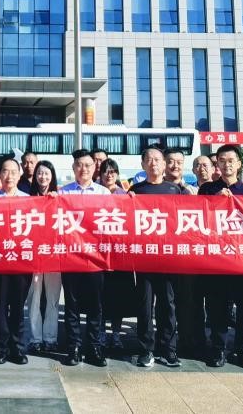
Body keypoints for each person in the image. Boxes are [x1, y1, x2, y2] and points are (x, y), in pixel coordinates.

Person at [198, 143, 243, 370]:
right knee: (217, 308)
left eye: (231, 161)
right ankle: (218, 349)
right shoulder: (207, 190)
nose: (226, 165)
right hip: (217, 259)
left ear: (239, 164)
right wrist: (215, 201)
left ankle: (242, 349)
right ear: (217, 164)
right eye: (222, 161)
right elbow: (197, 220)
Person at [129, 146, 191, 368]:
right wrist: (128, 201)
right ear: (143, 164)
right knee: (145, 306)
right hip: (144, 258)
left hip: (168, 258)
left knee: (167, 304)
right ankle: (146, 350)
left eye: (157, 159)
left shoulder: (175, 190)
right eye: (149, 159)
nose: (153, 163)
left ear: (164, 164)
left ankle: (168, 349)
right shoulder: (135, 190)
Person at [59, 149, 109, 367]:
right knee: (72, 305)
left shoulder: (103, 193)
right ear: (73, 168)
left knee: (95, 306)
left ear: (94, 167)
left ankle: (94, 348)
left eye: (88, 165)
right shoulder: (64, 193)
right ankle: (73, 348)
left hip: (95, 258)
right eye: (79, 165)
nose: (84, 169)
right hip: (71, 257)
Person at [0, 155, 31, 365]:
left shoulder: (28, 200)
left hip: (22, 261)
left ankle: (18, 348)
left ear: (20, 175)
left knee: (17, 306)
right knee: (0, 306)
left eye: (14, 172)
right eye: (5, 171)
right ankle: (1, 349)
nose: (9, 176)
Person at [26, 160, 62, 355]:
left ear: (52, 176)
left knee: (53, 298)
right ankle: (35, 338)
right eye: (40, 173)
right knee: (34, 297)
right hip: (33, 255)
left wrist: (56, 200)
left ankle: (50, 338)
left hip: (54, 255)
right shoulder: (27, 198)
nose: (43, 177)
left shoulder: (60, 197)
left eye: (47, 173)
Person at [97, 158, 132, 351]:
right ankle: (101, 332)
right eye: (105, 171)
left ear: (117, 174)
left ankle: (116, 334)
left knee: (118, 296)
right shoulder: (95, 193)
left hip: (119, 254)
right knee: (101, 296)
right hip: (99, 254)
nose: (109, 175)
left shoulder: (124, 195)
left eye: (112, 171)